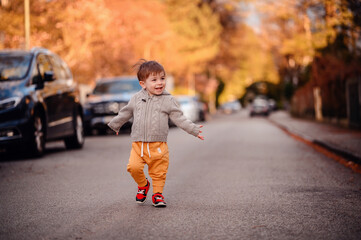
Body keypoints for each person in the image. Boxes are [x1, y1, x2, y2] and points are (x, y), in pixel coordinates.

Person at [108, 60, 204, 207]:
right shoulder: (136, 99)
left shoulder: (168, 100)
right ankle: (143, 185)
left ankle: (157, 195)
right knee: (133, 168)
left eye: (162, 78)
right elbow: (125, 113)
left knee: (158, 172)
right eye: (154, 80)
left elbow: (179, 118)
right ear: (143, 84)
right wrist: (116, 125)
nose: (159, 83)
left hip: (158, 145)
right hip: (138, 145)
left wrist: (194, 130)